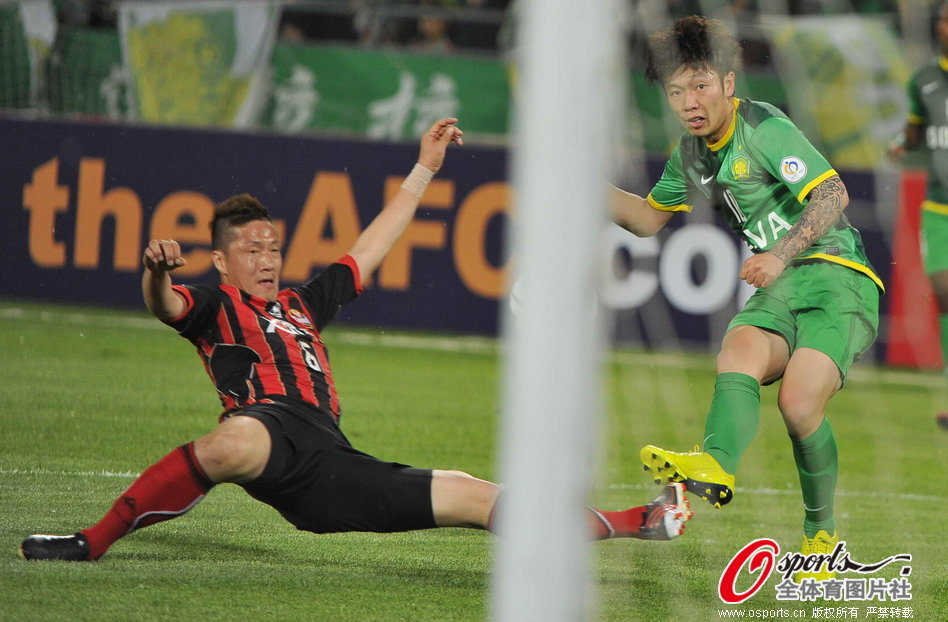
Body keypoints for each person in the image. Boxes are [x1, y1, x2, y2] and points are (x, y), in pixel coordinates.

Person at [20, 118, 692, 562]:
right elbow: (165, 304)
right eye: (251, 249)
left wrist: (425, 168)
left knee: (472, 494)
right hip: (268, 432)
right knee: (235, 439)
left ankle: (643, 521)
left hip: (326, 465)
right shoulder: (213, 304)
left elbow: (375, 242)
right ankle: (91, 542)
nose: (265, 257)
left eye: (272, 247)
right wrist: (155, 272)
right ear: (221, 262)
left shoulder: (304, 303)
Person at [610, 17, 882, 581]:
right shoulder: (690, 155)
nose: (690, 101)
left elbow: (833, 191)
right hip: (779, 287)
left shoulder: (763, 127)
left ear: (729, 85)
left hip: (837, 276)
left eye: (701, 85)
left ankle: (821, 538)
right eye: (677, 90)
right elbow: (642, 219)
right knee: (737, 350)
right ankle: (717, 465)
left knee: (799, 405)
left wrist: (781, 253)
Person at [888, 1, 948, 428]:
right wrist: (903, 145)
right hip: (939, 207)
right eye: (944, 19)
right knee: (945, 292)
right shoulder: (924, 81)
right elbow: (915, 127)